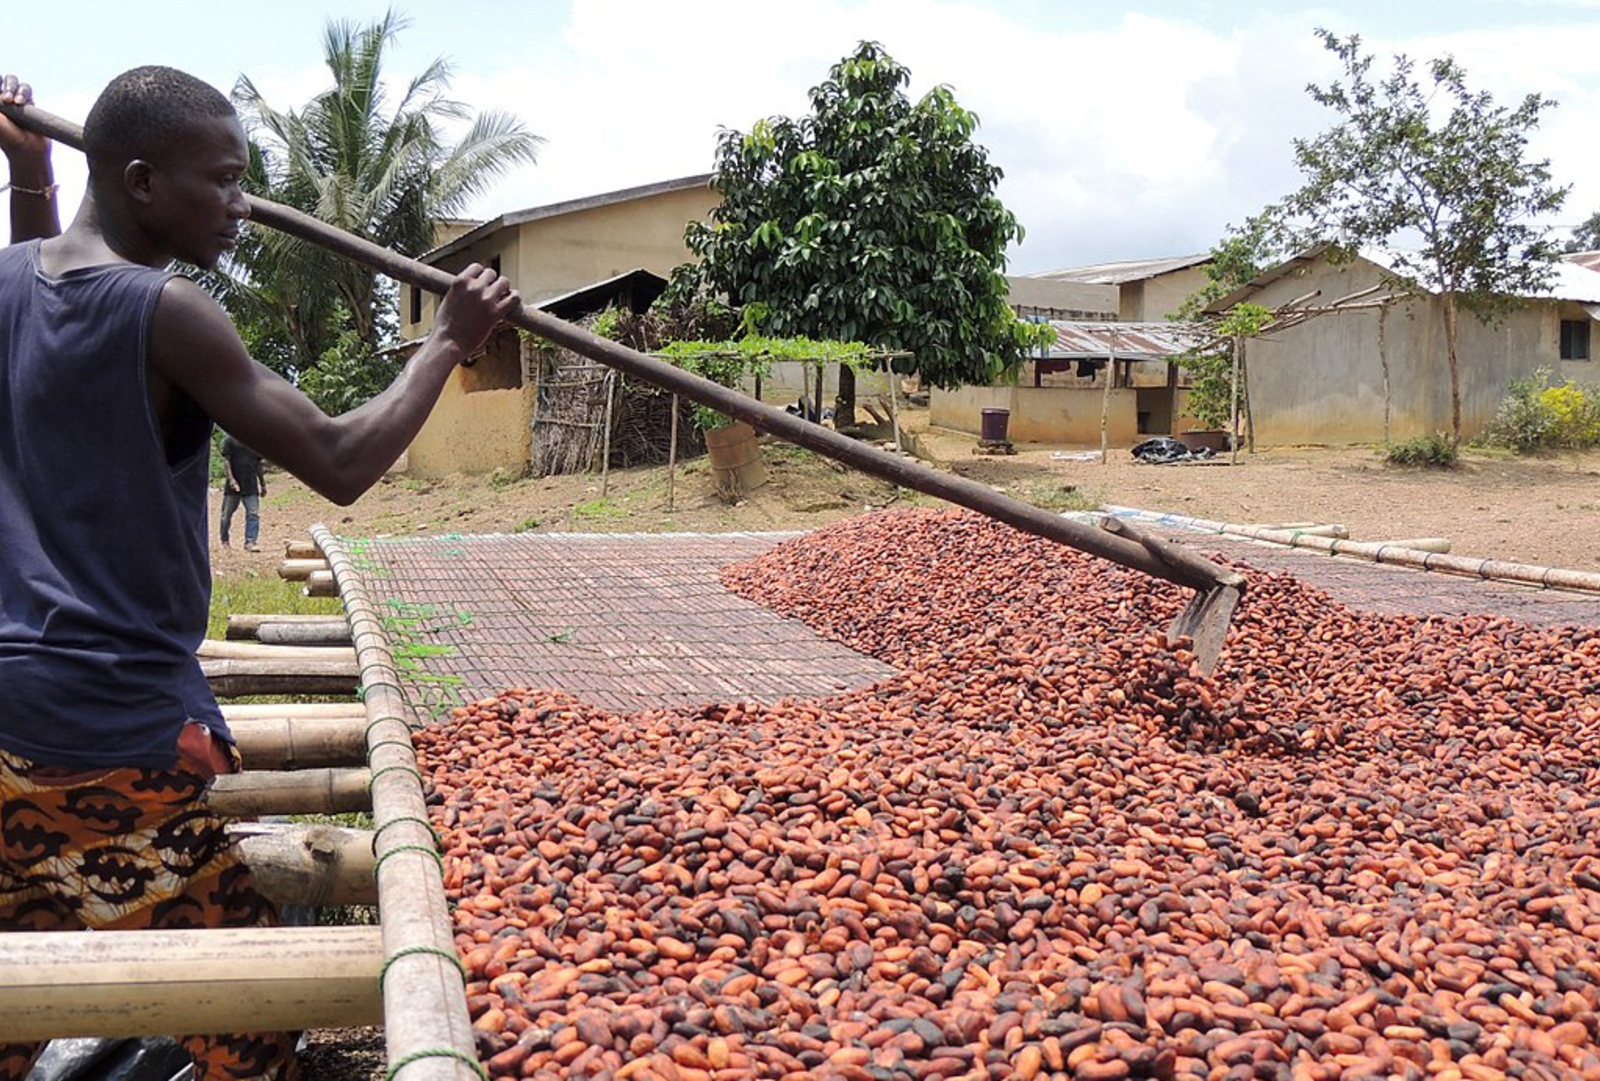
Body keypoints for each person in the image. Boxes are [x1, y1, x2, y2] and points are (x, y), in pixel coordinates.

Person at [0, 67, 519, 1081]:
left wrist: (26, 172)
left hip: (11, 721)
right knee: (256, 1024)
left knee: (26, 974)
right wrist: (446, 343)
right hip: (113, 737)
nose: (242, 207)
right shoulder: (167, 309)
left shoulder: (11, 278)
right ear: (142, 182)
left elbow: (35, 254)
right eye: (224, 181)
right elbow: (338, 457)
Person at [220, 432, 268, 551]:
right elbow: (227, 462)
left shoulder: (254, 443)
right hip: (233, 486)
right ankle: (225, 540)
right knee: (226, 515)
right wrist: (231, 480)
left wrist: (263, 484)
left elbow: (258, 465)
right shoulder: (230, 441)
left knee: (253, 513)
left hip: (250, 485)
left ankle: (250, 541)